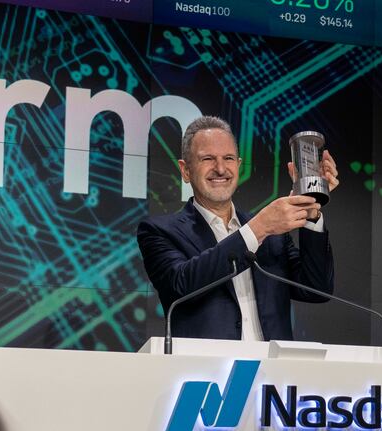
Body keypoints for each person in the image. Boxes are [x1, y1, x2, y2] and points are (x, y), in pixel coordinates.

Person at [137, 116, 338, 341]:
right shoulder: (158, 230)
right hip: (206, 372)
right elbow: (181, 286)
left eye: (228, 158)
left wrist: (311, 213)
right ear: (185, 170)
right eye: (207, 159)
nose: (221, 168)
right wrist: (258, 228)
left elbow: (316, 289)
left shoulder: (273, 234)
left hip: (272, 373)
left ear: (239, 166)